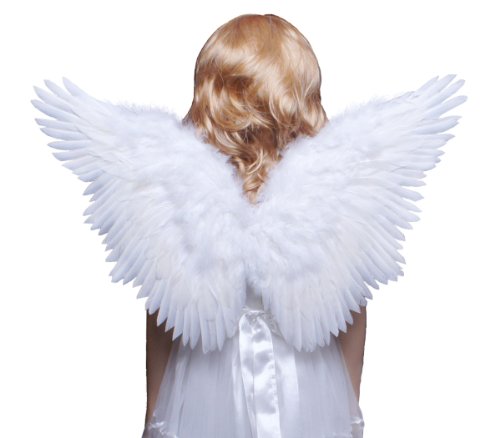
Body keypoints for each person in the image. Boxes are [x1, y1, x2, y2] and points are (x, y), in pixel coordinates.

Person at [31, 13, 466, 438]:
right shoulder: (323, 190)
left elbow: (348, 303)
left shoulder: (186, 192)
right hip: (300, 391)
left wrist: (154, 415)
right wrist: (349, 410)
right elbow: (166, 307)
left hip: (211, 389)